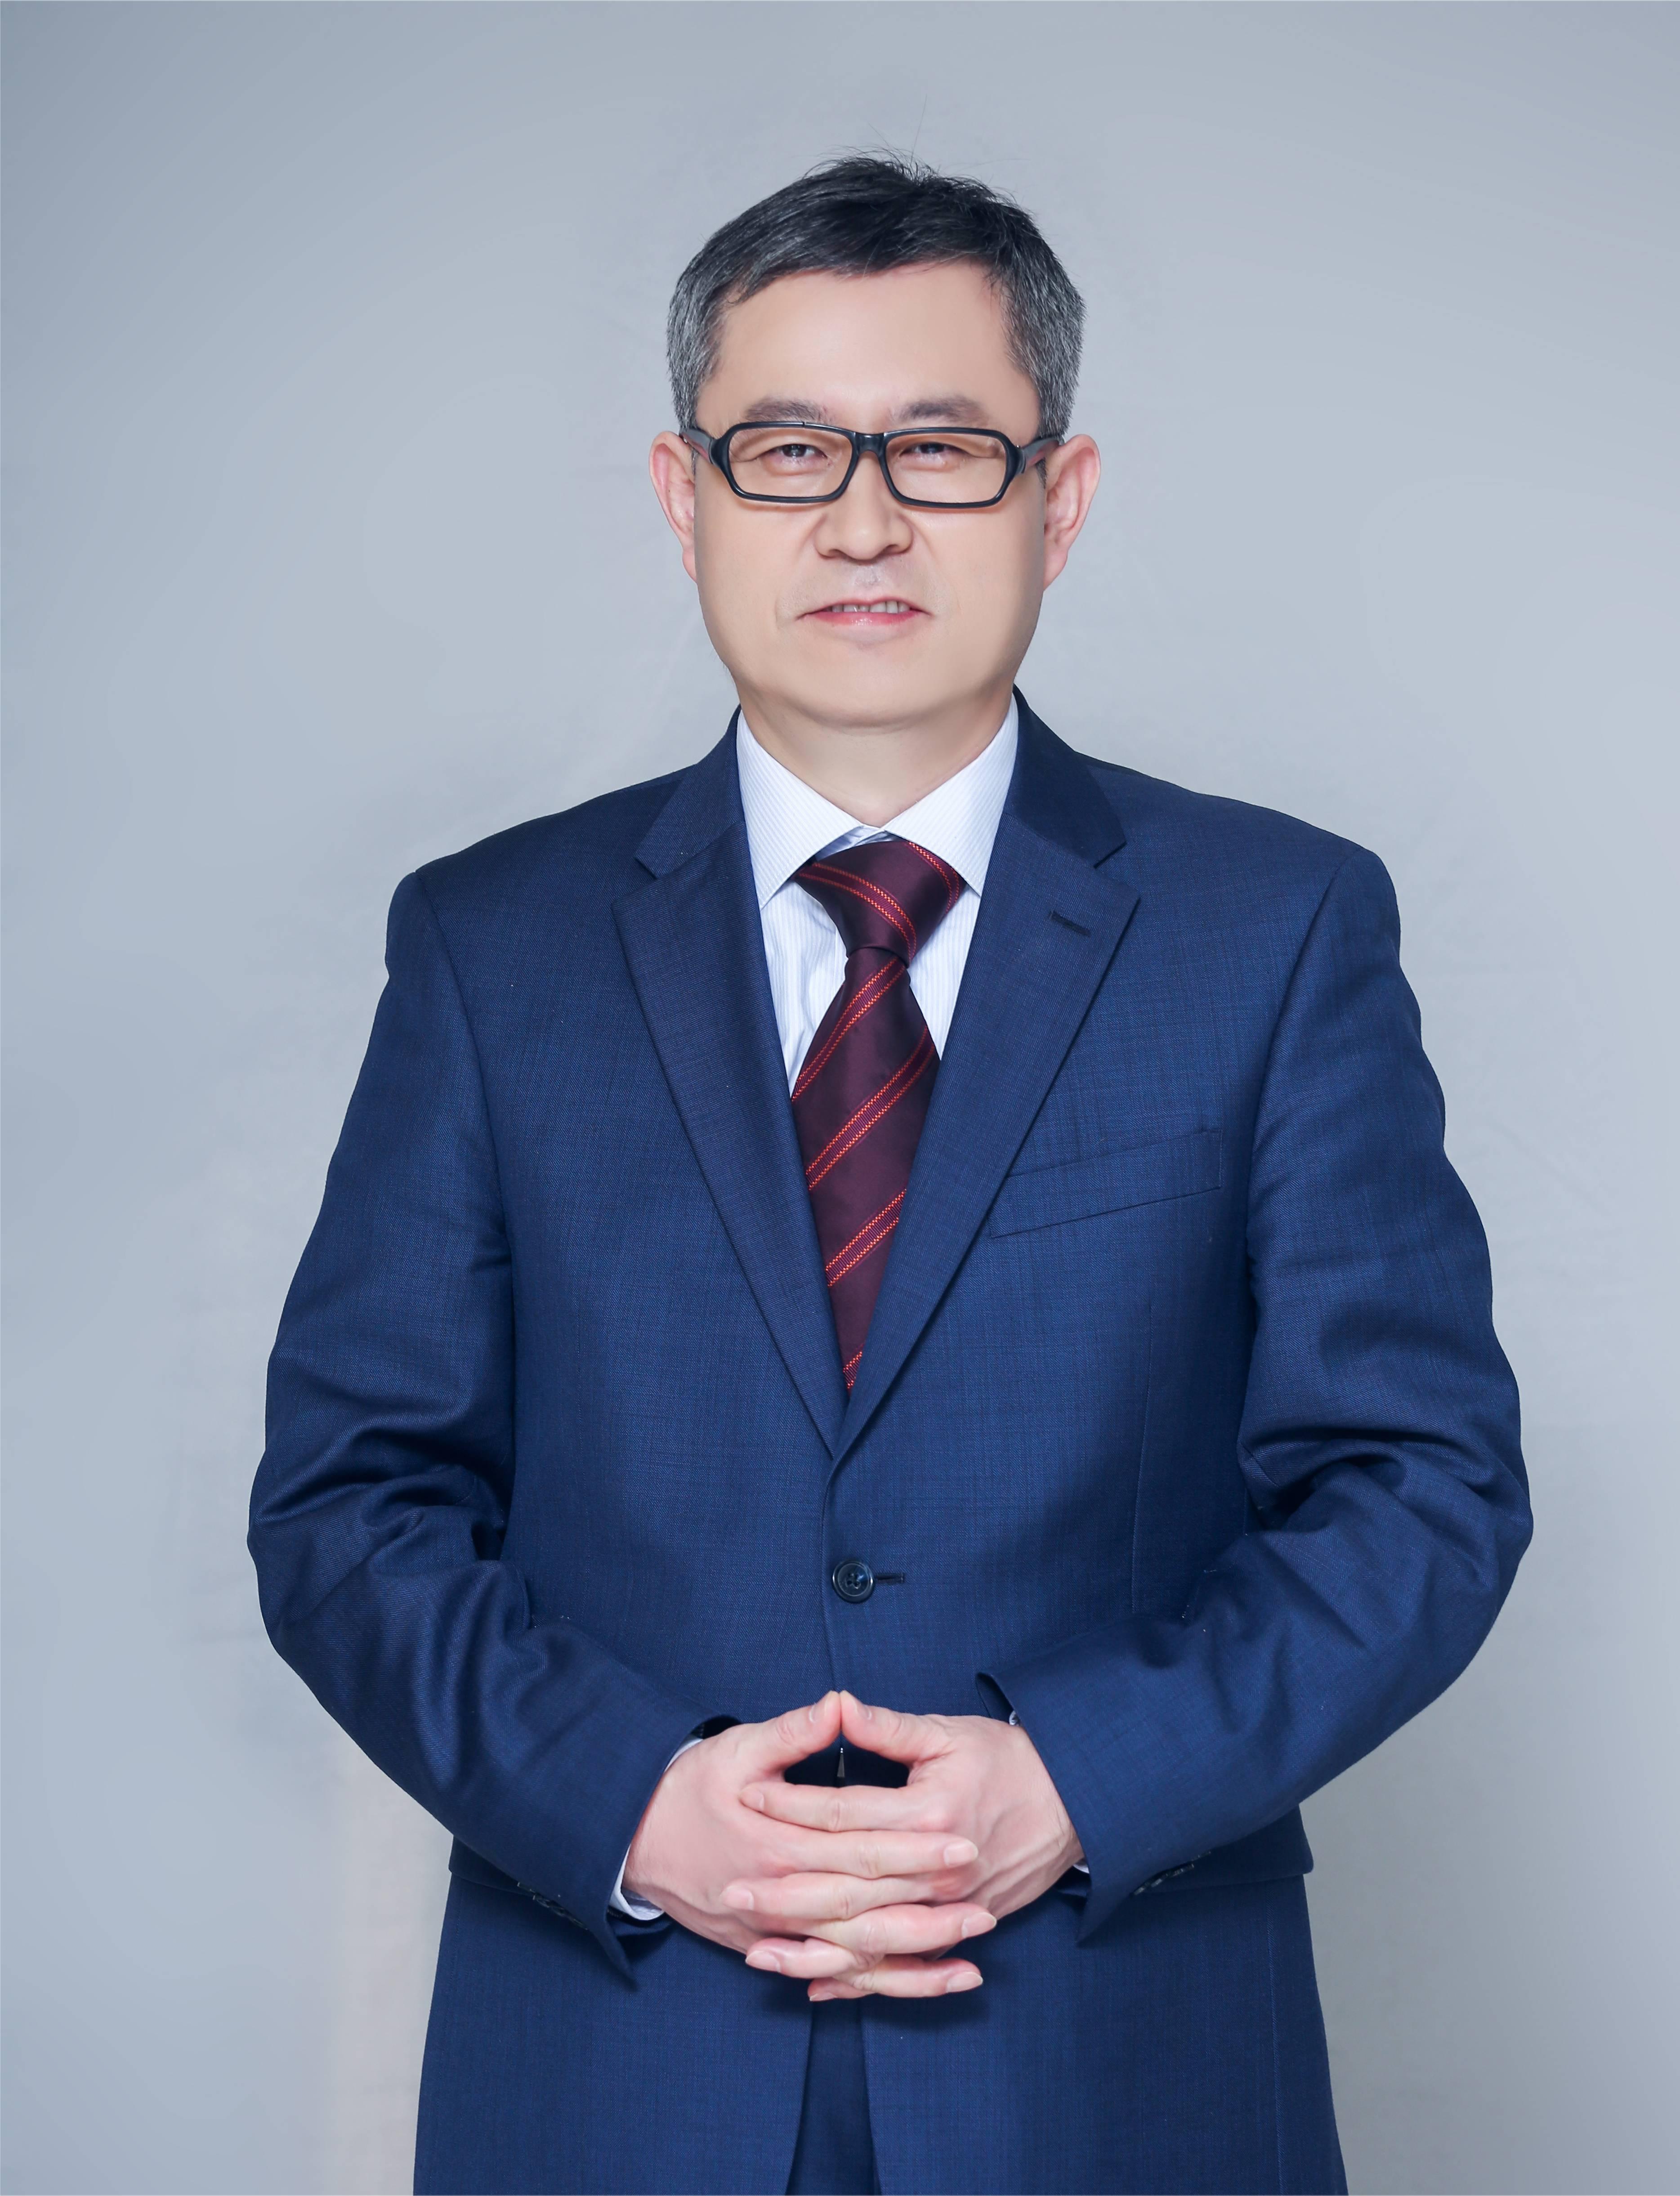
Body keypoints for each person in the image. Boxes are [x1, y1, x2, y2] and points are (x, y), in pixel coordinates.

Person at [249, 154, 1531, 2196]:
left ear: (1060, 497)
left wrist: (1079, 1779)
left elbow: (1423, 1484)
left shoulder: (1274, 929)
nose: (861, 519)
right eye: (787, 452)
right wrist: (632, 1803)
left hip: (1116, 2068)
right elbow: (350, 1501)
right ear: (684, 496)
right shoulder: (492, 948)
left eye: (939, 447)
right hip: (612, 2069)